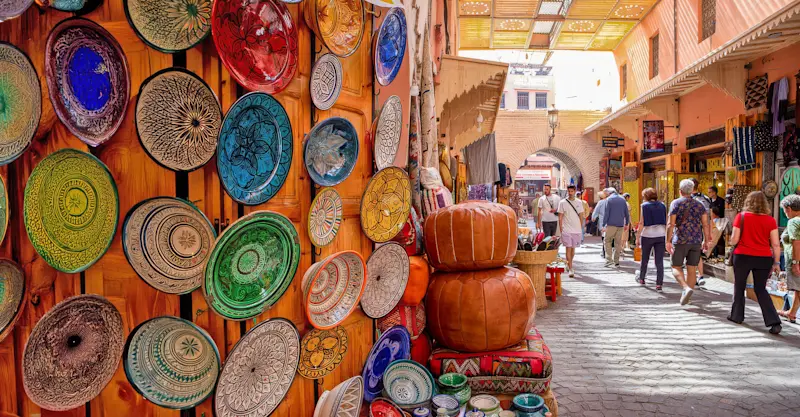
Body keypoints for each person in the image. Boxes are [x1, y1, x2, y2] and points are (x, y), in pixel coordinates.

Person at [728, 191, 781, 334]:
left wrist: (732, 240)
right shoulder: (771, 220)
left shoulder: (741, 217)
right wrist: (776, 262)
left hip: (743, 256)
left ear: (748, 202)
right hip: (763, 258)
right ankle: (774, 322)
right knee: (760, 289)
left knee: (739, 286)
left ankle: (736, 316)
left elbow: (734, 239)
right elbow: (775, 244)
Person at [666, 179, 712, 305]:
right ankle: (688, 297)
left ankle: (685, 288)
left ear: (680, 191)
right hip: (696, 240)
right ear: (692, 191)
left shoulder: (676, 203)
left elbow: (671, 224)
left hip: (680, 240)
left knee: (676, 266)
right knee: (692, 269)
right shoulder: (699, 205)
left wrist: (667, 241)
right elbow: (705, 224)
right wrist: (706, 240)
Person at [635, 188, 667, 291]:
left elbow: (641, 222)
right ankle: (659, 283)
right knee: (659, 261)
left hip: (647, 234)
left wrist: (637, 237)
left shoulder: (644, 206)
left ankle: (642, 278)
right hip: (661, 234)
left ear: (646, 196)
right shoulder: (662, 205)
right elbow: (666, 221)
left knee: (645, 258)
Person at [779, 194, 800, 324]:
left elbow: (796, 242)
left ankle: (791, 313)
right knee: (798, 289)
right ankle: (792, 313)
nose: (785, 213)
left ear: (789, 208)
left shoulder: (793, 221)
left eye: (784, 210)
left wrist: (795, 263)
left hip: (797, 259)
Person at [558, 185, 584, 277]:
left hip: (576, 230)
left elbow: (581, 215)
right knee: (568, 248)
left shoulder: (579, 202)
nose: (570, 193)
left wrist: (580, 227)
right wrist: (561, 228)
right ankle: (570, 268)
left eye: (572, 191)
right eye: (569, 191)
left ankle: (569, 263)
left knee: (573, 250)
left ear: (575, 191)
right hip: (566, 229)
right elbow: (560, 216)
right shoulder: (562, 202)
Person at [690, 178, 712, 287]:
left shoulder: (687, 199)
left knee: (690, 255)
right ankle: (700, 275)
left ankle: (693, 277)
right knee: (697, 253)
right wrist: (707, 237)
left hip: (690, 230)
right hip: (701, 230)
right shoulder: (705, 198)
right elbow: (708, 219)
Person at [603, 187, 630, 267]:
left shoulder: (609, 199)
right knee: (618, 243)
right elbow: (627, 213)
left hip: (611, 224)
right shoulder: (622, 199)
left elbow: (606, 213)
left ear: (609, 193)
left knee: (607, 241)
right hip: (620, 225)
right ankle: (616, 261)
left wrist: (603, 224)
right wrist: (626, 224)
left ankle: (609, 260)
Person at [708, 185, 727, 257]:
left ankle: (720, 252)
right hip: (711, 221)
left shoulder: (721, 201)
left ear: (714, 192)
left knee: (718, 238)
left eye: (710, 192)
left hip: (720, 221)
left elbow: (723, 212)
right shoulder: (708, 201)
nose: (709, 194)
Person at [592, 191, 608, 258]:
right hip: (610, 222)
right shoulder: (610, 201)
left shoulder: (600, 202)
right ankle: (607, 251)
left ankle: (604, 251)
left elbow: (596, 210)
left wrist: (593, 217)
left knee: (604, 236)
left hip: (602, 221)